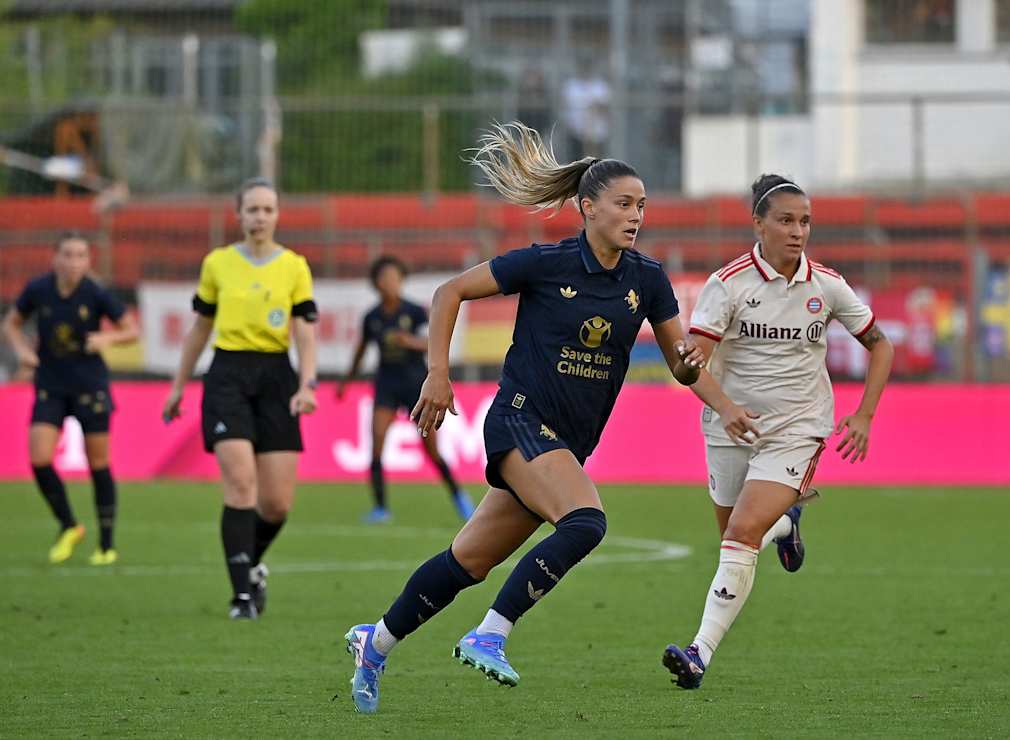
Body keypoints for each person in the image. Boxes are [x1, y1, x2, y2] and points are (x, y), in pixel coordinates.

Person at [342, 121, 704, 714]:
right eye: (623, 204)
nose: (636, 215)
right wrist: (438, 373)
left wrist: (706, 378)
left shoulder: (648, 279)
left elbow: (681, 368)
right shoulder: (545, 263)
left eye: (642, 205)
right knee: (586, 521)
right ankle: (491, 633)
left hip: (565, 443)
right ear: (587, 208)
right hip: (518, 420)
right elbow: (448, 293)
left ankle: (374, 641)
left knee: (469, 561)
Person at [661, 174, 894, 689]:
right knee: (733, 539)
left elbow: (881, 344)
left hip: (797, 428)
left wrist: (864, 415)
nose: (797, 231)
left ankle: (699, 652)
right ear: (758, 224)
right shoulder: (729, 284)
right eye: (786, 220)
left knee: (742, 534)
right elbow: (692, 364)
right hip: (730, 428)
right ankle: (786, 526)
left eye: (805, 221)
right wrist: (713, 395)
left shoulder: (826, 284)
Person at [162, 177, 319, 620]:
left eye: (268, 209)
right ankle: (242, 598)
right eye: (252, 209)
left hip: (276, 377)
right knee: (241, 486)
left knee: (277, 503)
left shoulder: (294, 266)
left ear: (277, 215)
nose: (260, 217)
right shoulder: (217, 264)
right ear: (238, 215)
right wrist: (178, 386)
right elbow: (200, 329)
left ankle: (249, 568)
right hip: (227, 374)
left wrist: (307, 385)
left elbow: (305, 331)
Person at [3, 232, 139, 565]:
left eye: (80, 255)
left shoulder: (95, 293)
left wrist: (106, 338)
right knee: (38, 458)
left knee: (99, 464)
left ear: (88, 261)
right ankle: (69, 525)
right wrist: (22, 351)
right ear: (55, 258)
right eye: (68, 254)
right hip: (50, 383)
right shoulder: (39, 289)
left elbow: (131, 330)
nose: (74, 261)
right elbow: (12, 323)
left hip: (90, 386)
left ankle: (106, 544)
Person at [335, 255, 475, 524]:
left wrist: (408, 341)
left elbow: (430, 342)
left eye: (394, 278)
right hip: (386, 385)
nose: (390, 283)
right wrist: (346, 381)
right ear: (376, 284)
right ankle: (380, 508)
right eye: (384, 278)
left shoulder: (414, 312)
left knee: (431, 450)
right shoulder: (372, 317)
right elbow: (360, 351)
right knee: (376, 444)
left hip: (416, 385)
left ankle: (459, 497)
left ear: (401, 280)